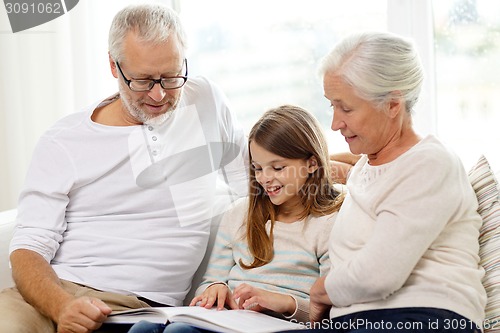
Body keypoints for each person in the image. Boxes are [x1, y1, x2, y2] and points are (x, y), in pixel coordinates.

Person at [0, 3, 248, 333]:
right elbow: (28, 250)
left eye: (171, 77)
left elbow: (256, 176)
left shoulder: (204, 100)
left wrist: (327, 166)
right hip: (51, 295)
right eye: (143, 81)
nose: (160, 95)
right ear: (114, 67)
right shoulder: (65, 140)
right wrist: (62, 306)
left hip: (135, 309)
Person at [301, 31, 486, 332]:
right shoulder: (367, 164)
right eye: (331, 106)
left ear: (392, 104)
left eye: (346, 108)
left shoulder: (430, 164)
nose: (335, 123)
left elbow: (377, 274)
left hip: (422, 318)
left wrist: (320, 291)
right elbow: (350, 174)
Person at [126, 104, 345, 333]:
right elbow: (209, 282)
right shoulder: (240, 214)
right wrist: (215, 288)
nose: (265, 179)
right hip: (229, 322)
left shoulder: (331, 222)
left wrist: (284, 303)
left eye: (278, 168)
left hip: (282, 327)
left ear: (311, 163)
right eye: (258, 168)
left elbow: (332, 311)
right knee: (144, 328)